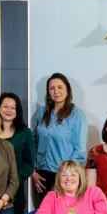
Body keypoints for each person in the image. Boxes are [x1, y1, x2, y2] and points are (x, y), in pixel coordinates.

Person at [31, 73, 88, 206]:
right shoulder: (42, 112)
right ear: (48, 92)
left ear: (67, 90)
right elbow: (34, 142)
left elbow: (79, 151)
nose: (56, 91)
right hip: (41, 176)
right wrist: (33, 170)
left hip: (64, 176)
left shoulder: (77, 115)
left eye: (60, 87)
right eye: (52, 88)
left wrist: (65, 176)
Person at [0, 92, 35, 214]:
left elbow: (30, 163)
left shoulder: (25, 132)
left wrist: (15, 178)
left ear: (17, 111)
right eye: (5, 106)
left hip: (15, 189)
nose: (9, 110)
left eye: (13, 108)